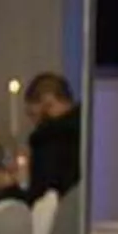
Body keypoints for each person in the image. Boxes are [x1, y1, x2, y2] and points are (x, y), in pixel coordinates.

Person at [22, 72, 81, 205]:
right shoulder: (91, 128)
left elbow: (40, 194)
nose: (33, 123)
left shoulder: (47, 139)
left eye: (32, 114)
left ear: (47, 103)